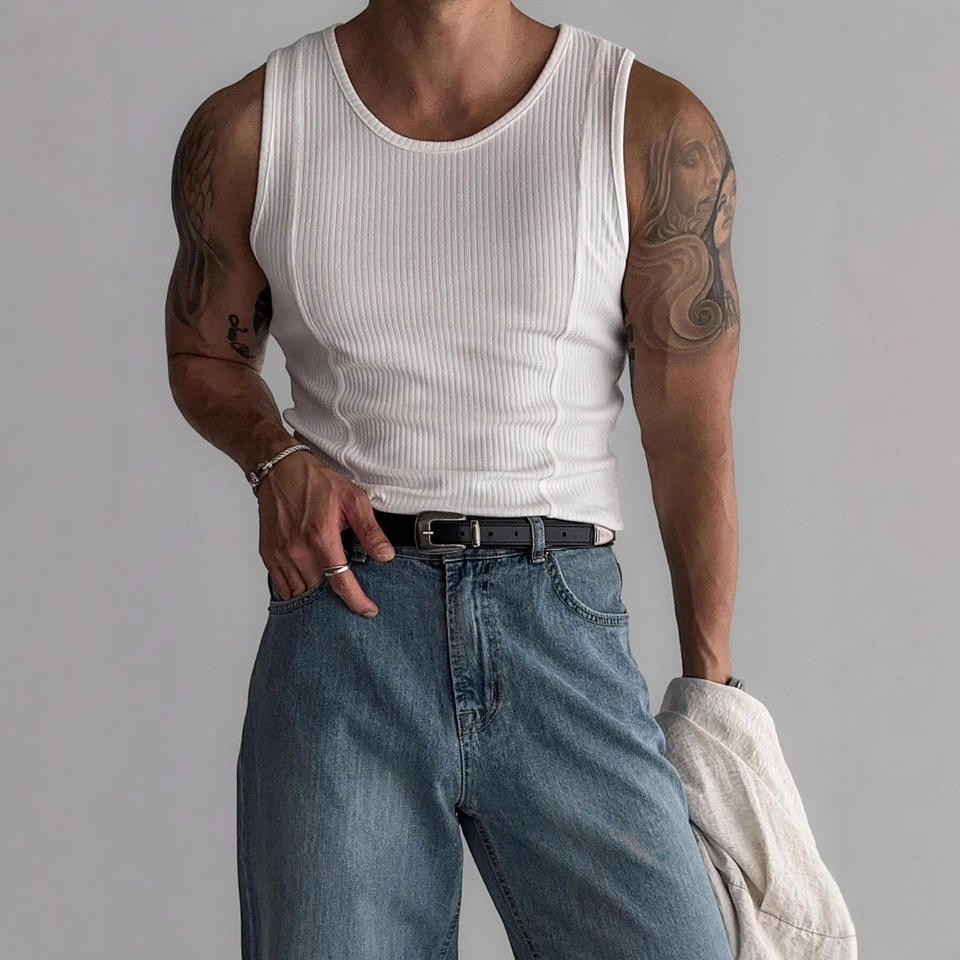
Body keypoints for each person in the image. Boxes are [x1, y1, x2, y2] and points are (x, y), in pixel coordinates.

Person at [165, 3, 741, 957]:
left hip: (561, 621)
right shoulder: (253, 129)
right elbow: (203, 353)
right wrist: (275, 458)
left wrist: (712, 703)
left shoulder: (645, 125)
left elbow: (690, 435)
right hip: (347, 628)